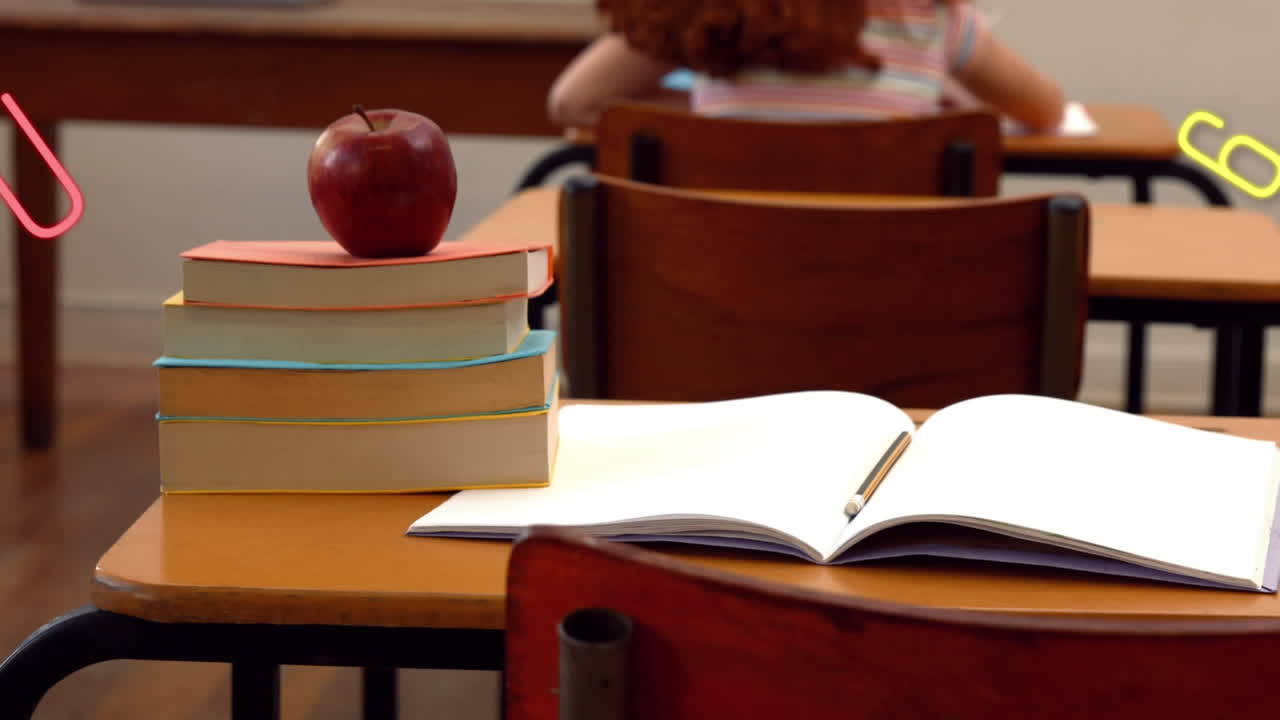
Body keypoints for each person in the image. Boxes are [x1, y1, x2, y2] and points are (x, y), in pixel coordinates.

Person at [547, 0, 1065, 132]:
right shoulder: (927, 20)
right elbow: (1048, 110)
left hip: (714, 331)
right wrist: (926, 86)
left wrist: (713, 105)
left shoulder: (706, 16)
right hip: (897, 326)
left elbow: (573, 101)